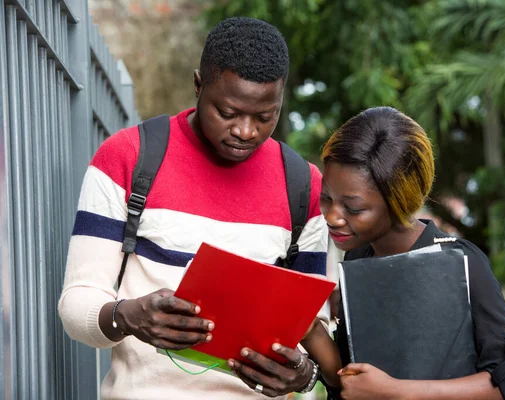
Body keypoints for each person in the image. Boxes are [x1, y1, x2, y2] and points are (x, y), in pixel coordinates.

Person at [58, 17, 328, 400]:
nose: (246, 131)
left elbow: (312, 328)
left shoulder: (303, 185)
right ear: (198, 85)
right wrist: (128, 316)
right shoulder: (128, 158)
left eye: (265, 117)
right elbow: (76, 304)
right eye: (229, 112)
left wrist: (304, 375)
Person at [298, 106, 505, 400]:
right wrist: (307, 327)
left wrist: (398, 392)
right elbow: (352, 382)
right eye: (327, 198)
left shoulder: (459, 263)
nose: (333, 216)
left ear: (399, 201)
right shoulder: (357, 259)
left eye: (353, 208)